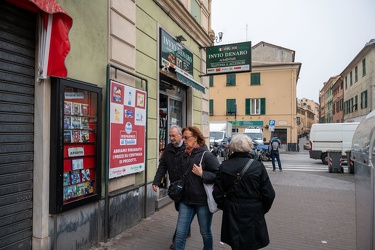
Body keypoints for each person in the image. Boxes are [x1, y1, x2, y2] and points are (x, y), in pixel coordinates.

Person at [213, 134, 275, 250]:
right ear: (249, 146)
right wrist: (261, 209)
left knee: (236, 244)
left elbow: (217, 193)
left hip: (232, 209)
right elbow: (269, 194)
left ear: (231, 147)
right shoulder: (257, 166)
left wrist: (226, 206)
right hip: (253, 209)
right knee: (251, 244)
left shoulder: (224, 166)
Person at [173, 126, 220, 250]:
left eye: (187, 137)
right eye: (183, 137)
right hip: (185, 201)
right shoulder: (184, 155)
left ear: (196, 138)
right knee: (180, 233)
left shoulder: (207, 155)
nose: (184, 140)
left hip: (202, 202)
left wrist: (202, 174)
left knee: (205, 232)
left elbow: (218, 175)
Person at [152, 125, 192, 249]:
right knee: (181, 210)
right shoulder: (168, 148)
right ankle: (186, 229)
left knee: (182, 214)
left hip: (188, 186)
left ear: (181, 135)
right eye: (170, 136)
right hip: (176, 187)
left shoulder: (188, 148)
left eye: (173, 135)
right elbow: (162, 165)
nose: (171, 138)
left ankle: (177, 241)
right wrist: (156, 181)